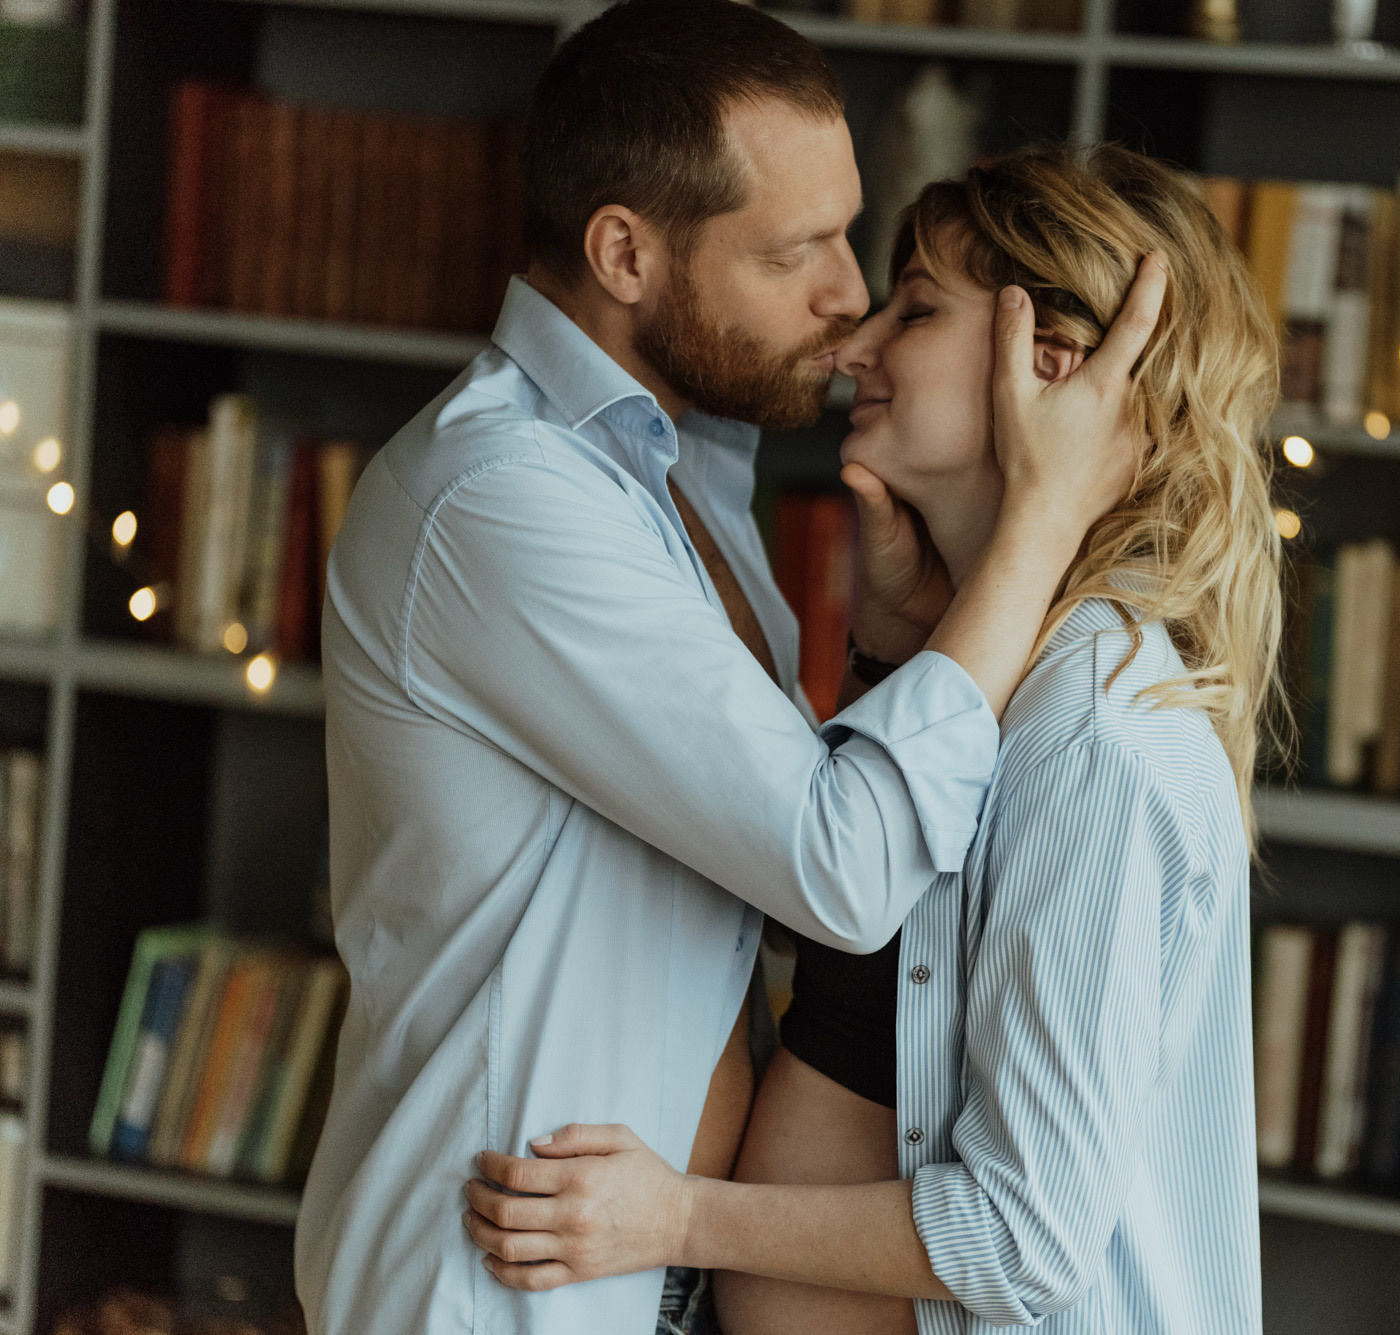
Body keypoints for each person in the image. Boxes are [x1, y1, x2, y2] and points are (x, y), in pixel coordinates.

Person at [293, 3, 1163, 1332]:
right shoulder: (503, 498)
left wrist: (882, 648)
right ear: (625, 251)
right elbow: (845, 866)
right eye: (794, 250)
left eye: (848, 234)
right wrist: (1038, 526)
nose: (847, 295)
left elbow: (771, 856)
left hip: (639, 1273)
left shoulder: (685, 472)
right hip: (504, 1283)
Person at [460, 141, 1284, 1334]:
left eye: (915, 310)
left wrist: (678, 1218)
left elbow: (1023, 1237)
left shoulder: (1093, 731)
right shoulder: (993, 672)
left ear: (1051, 368)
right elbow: (841, 917)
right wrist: (895, 651)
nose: (854, 345)